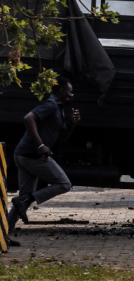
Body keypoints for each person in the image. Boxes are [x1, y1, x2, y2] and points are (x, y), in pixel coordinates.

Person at [7, 77, 80, 241]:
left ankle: (4, 232)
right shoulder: (50, 105)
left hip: (22, 154)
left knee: (23, 199)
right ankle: (24, 200)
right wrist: (40, 145)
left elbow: (61, 139)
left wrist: (73, 123)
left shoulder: (59, 109)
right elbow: (28, 118)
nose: (72, 95)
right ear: (61, 92)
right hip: (33, 155)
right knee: (64, 184)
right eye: (70, 91)